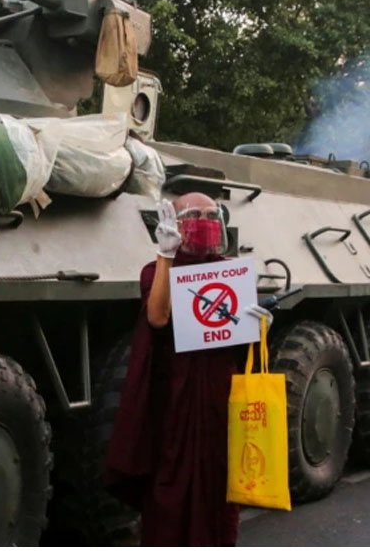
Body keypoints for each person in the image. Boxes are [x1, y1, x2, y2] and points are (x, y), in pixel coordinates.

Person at [104, 192, 271, 546]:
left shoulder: (230, 271)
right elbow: (158, 317)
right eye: (196, 215)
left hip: (219, 397)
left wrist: (259, 325)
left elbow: (238, 339)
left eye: (213, 215)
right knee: (169, 484)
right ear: (177, 224)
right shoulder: (157, 270)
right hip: (174, 397)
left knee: (219, 481)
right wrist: (166, 254)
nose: (206, 222)